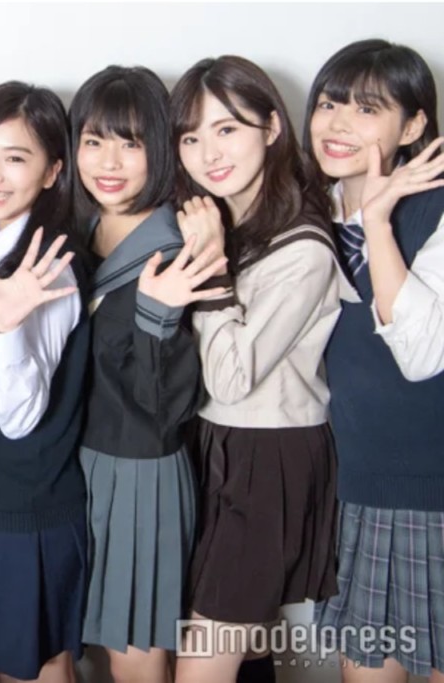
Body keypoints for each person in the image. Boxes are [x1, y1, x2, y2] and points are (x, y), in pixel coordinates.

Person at [169, 55, 344, 683]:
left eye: (227, 129)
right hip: (218, 443)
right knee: (243, 651)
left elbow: (232, 378)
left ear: (271, 127)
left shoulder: (303, 248)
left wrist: (212, 265)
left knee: (204, 662)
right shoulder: (229, 225)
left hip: (269, 457)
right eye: (191, 137)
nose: (207, 153)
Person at [69, 65, 223, 683]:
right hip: (81, 465)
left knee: (134, 653)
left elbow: (172, 407)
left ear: (159, 149)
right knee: (97, 647)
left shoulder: (179, 245)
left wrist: (158, 319)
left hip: (139, 472)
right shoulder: (80, 230)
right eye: (94, 140)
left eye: (130, 143)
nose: (109, 162)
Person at [303, 38, 444, 683]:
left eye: (367, 109)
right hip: (356, 491)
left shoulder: (434, 210)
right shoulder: (311, 215)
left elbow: (420, 356)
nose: (338, 125)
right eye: (329, 104)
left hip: (433, 492)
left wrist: (378, 221)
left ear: (412, 127)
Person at [0, 81, 88, 683]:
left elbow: (19, 417)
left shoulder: (48, 267)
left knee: (35, 670)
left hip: (28, 514)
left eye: (15, 158)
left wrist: (4, 327)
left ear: (53, 171)